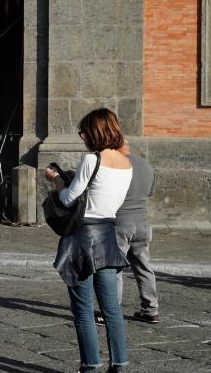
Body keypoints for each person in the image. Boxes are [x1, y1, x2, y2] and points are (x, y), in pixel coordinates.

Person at [45, 108, 132, 373]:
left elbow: (68, 199)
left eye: (83, 132)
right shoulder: (127, 164)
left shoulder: (92, 160)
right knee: (112, 310)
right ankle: (119, 365)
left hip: (83, 239)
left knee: (83, 311)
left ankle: (91, 366)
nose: (83, 137)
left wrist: (57, 179)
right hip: (108, 236)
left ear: (94, 132)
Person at [115, 145, 159, 323]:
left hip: (120, 223)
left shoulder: (115, 165)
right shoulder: (146, 165)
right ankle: (151, 309)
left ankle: (112, 310)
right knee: (144, 267)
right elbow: (150, 192)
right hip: (142, 222)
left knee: (114, 269)